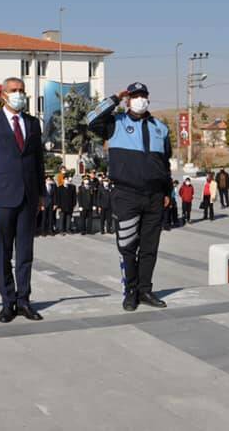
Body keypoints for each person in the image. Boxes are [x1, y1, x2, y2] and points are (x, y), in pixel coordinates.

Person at [87, 81, 172, 312]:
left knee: (149, 247)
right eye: (134, 96)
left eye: (143, 95)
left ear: (148, 98)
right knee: (127, 246)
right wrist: (115, 98)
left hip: (154, 196)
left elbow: (165, 164)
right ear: (128, 99)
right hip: (126, 195)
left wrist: (168, 192)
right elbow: (90, 119)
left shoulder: (160, 128)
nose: (139, 99)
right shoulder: (115, 123)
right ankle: (130, 292)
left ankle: (145, 290)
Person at [0, 76, 45, 323]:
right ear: (3, 94)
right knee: (4, 253)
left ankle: (24, 300)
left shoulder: (33, 123)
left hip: (28, 197)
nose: (20, 94)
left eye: (22, 91)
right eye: (15, 90)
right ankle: (8, 302)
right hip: (2, 197)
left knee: (25, 253)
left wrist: (41, 195)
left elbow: (38, 161)